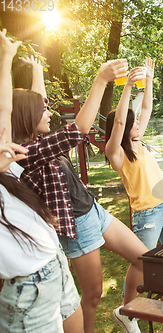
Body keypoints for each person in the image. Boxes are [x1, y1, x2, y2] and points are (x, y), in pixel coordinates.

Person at [11, 54, 148, 333]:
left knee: (145, 259)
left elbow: (38, 104)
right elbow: (79, 130)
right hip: (77, 225)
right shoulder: (26, 153)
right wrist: (101, 79)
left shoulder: (38, 139)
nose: (50, 113)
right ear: (27, 117)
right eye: (44, 111)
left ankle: (125, 313)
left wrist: (37, 70)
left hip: (95, 211)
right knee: (93, 295)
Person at [0, 28, 83, 333]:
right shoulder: (22, 154)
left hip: (53, 263)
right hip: (28, 286)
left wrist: (9, 59)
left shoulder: (8, 160)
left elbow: (15, 108)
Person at [104, 58, 163, 302]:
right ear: (124, 128)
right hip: (147, 212)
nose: (138, 123)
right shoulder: (116, 153)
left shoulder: (138, 141)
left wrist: (148, 79)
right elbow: (118, 121)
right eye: (133, 122)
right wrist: (127, 86)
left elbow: (146, 109)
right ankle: (128, 308)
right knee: (141, 262)